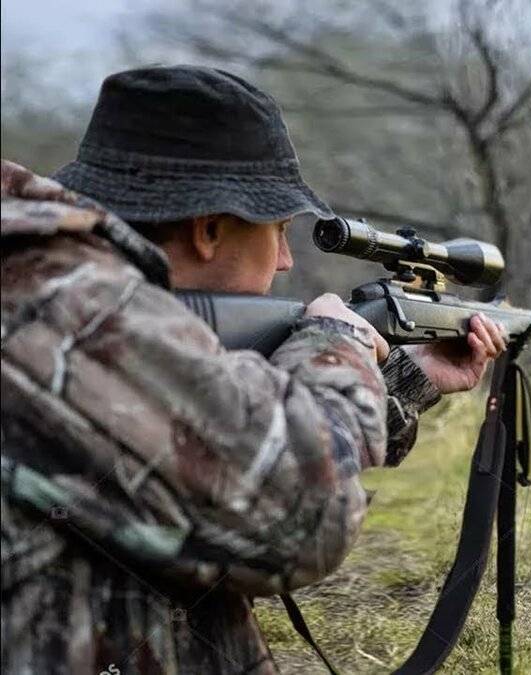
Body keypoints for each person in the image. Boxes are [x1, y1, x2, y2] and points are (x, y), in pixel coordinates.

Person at [0, 65, 505, 674]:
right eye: (279, 232)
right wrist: (336, 342)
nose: (288, 261)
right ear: (210, 230)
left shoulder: (44, 282)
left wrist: (401, 381)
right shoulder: (71, 307)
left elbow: (179, 457)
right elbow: (297, 517)